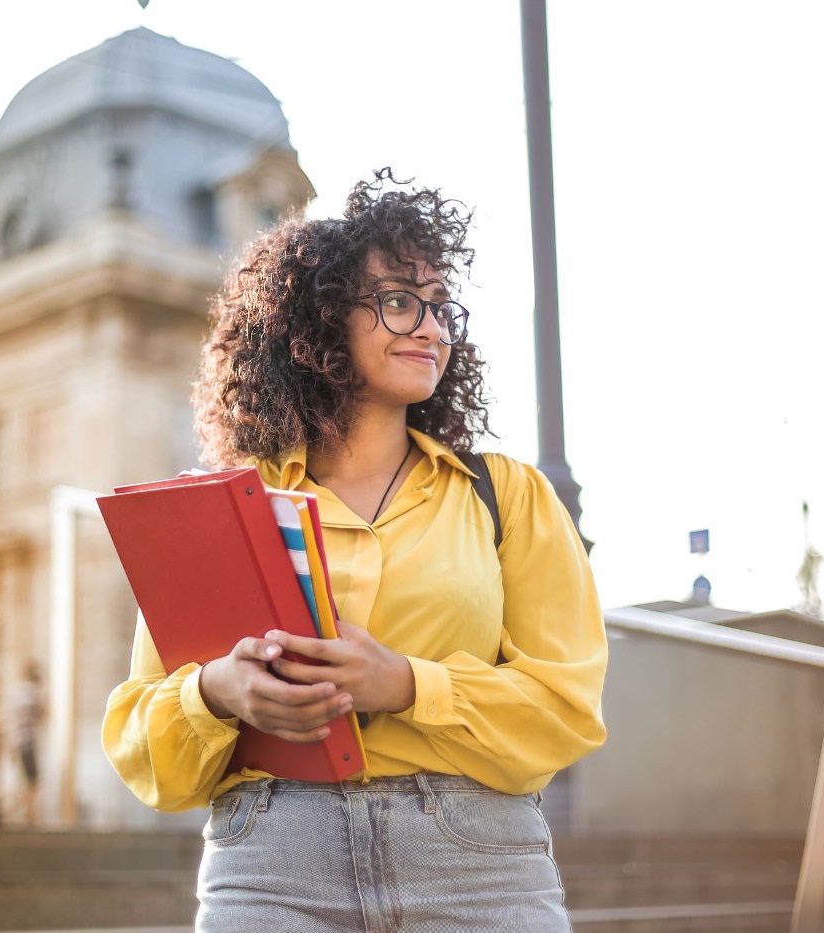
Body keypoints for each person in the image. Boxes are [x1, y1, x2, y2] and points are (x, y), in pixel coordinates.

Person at [103, 169, 607, 932]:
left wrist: (406, 684)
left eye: (441, 307)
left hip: (475, 862)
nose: (432, 327)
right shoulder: (228, 509)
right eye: (400, 300)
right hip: (271, 859)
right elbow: (143, 740)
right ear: (319, 320)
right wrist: (217, 692)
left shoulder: (507, 495)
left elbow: (566, 709)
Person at [6, 660, 47, 825]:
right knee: (32, 780)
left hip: (16, 740)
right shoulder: (31, 693)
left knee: (24, 778)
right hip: (27, 741)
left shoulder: (15, 692)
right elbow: (41, 713)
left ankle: (24, 812)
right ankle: (28, 814)